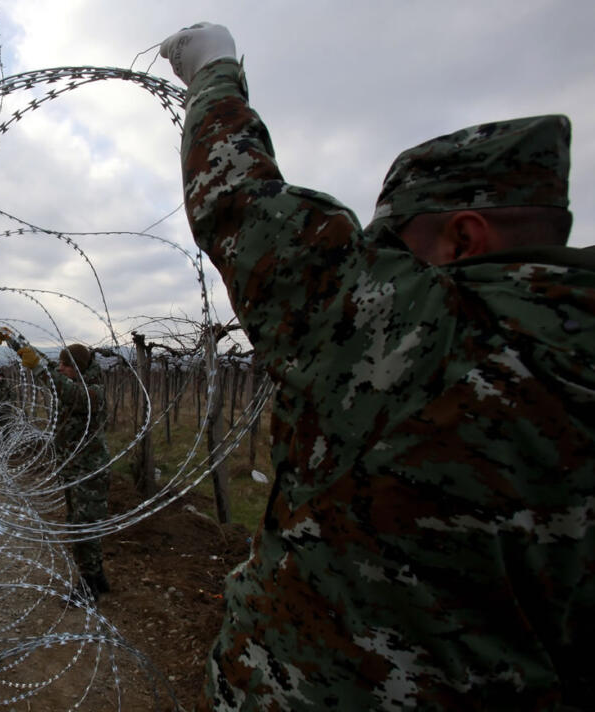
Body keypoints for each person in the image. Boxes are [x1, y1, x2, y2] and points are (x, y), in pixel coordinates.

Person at [160, 22, 594, 710]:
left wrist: (214, 71)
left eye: (394, 243)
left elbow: (241, 204)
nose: (382, 260)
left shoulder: (430, 329)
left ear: (463, 236)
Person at [0, 329, 113, 602]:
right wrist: (17, 341)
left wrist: (37, 367)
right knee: (81, 524)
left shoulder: (93, 393)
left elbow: (62, 387)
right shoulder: (76, 379)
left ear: (78, 368)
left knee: (83, 527)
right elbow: (48, 367)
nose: (60, 368)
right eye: (60, 363)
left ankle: (88, 586)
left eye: (66, 365)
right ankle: (97, 577)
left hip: (88, 471)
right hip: (75, 469)